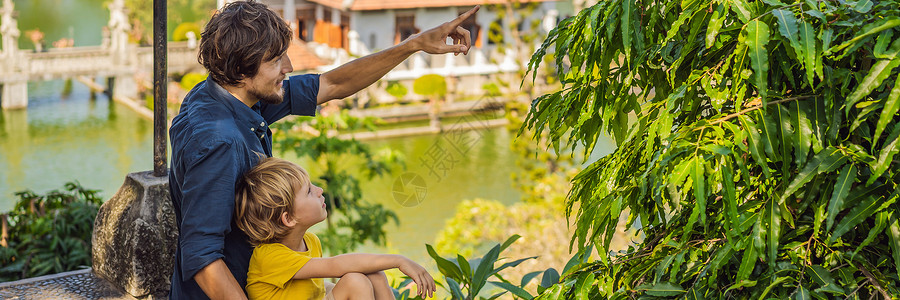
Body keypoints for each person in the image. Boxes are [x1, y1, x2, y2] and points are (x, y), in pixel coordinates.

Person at [168, 1, 478, 299]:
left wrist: (413, 44)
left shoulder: (229, 93)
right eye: (276, 60)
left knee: (369, 277)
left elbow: (330, 85)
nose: (288, 67)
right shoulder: (217, 141)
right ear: (241, 69)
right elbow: (202, 256)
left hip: (276, 284)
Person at [234, 157, 435, 300]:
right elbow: (336, 266)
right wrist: (398, 260)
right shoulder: (269, 257)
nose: (320, 190)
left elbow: (317, 290)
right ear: (288, 218)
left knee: (374, 274)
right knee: (355, 281)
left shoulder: (310, 241)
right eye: (309, 191)